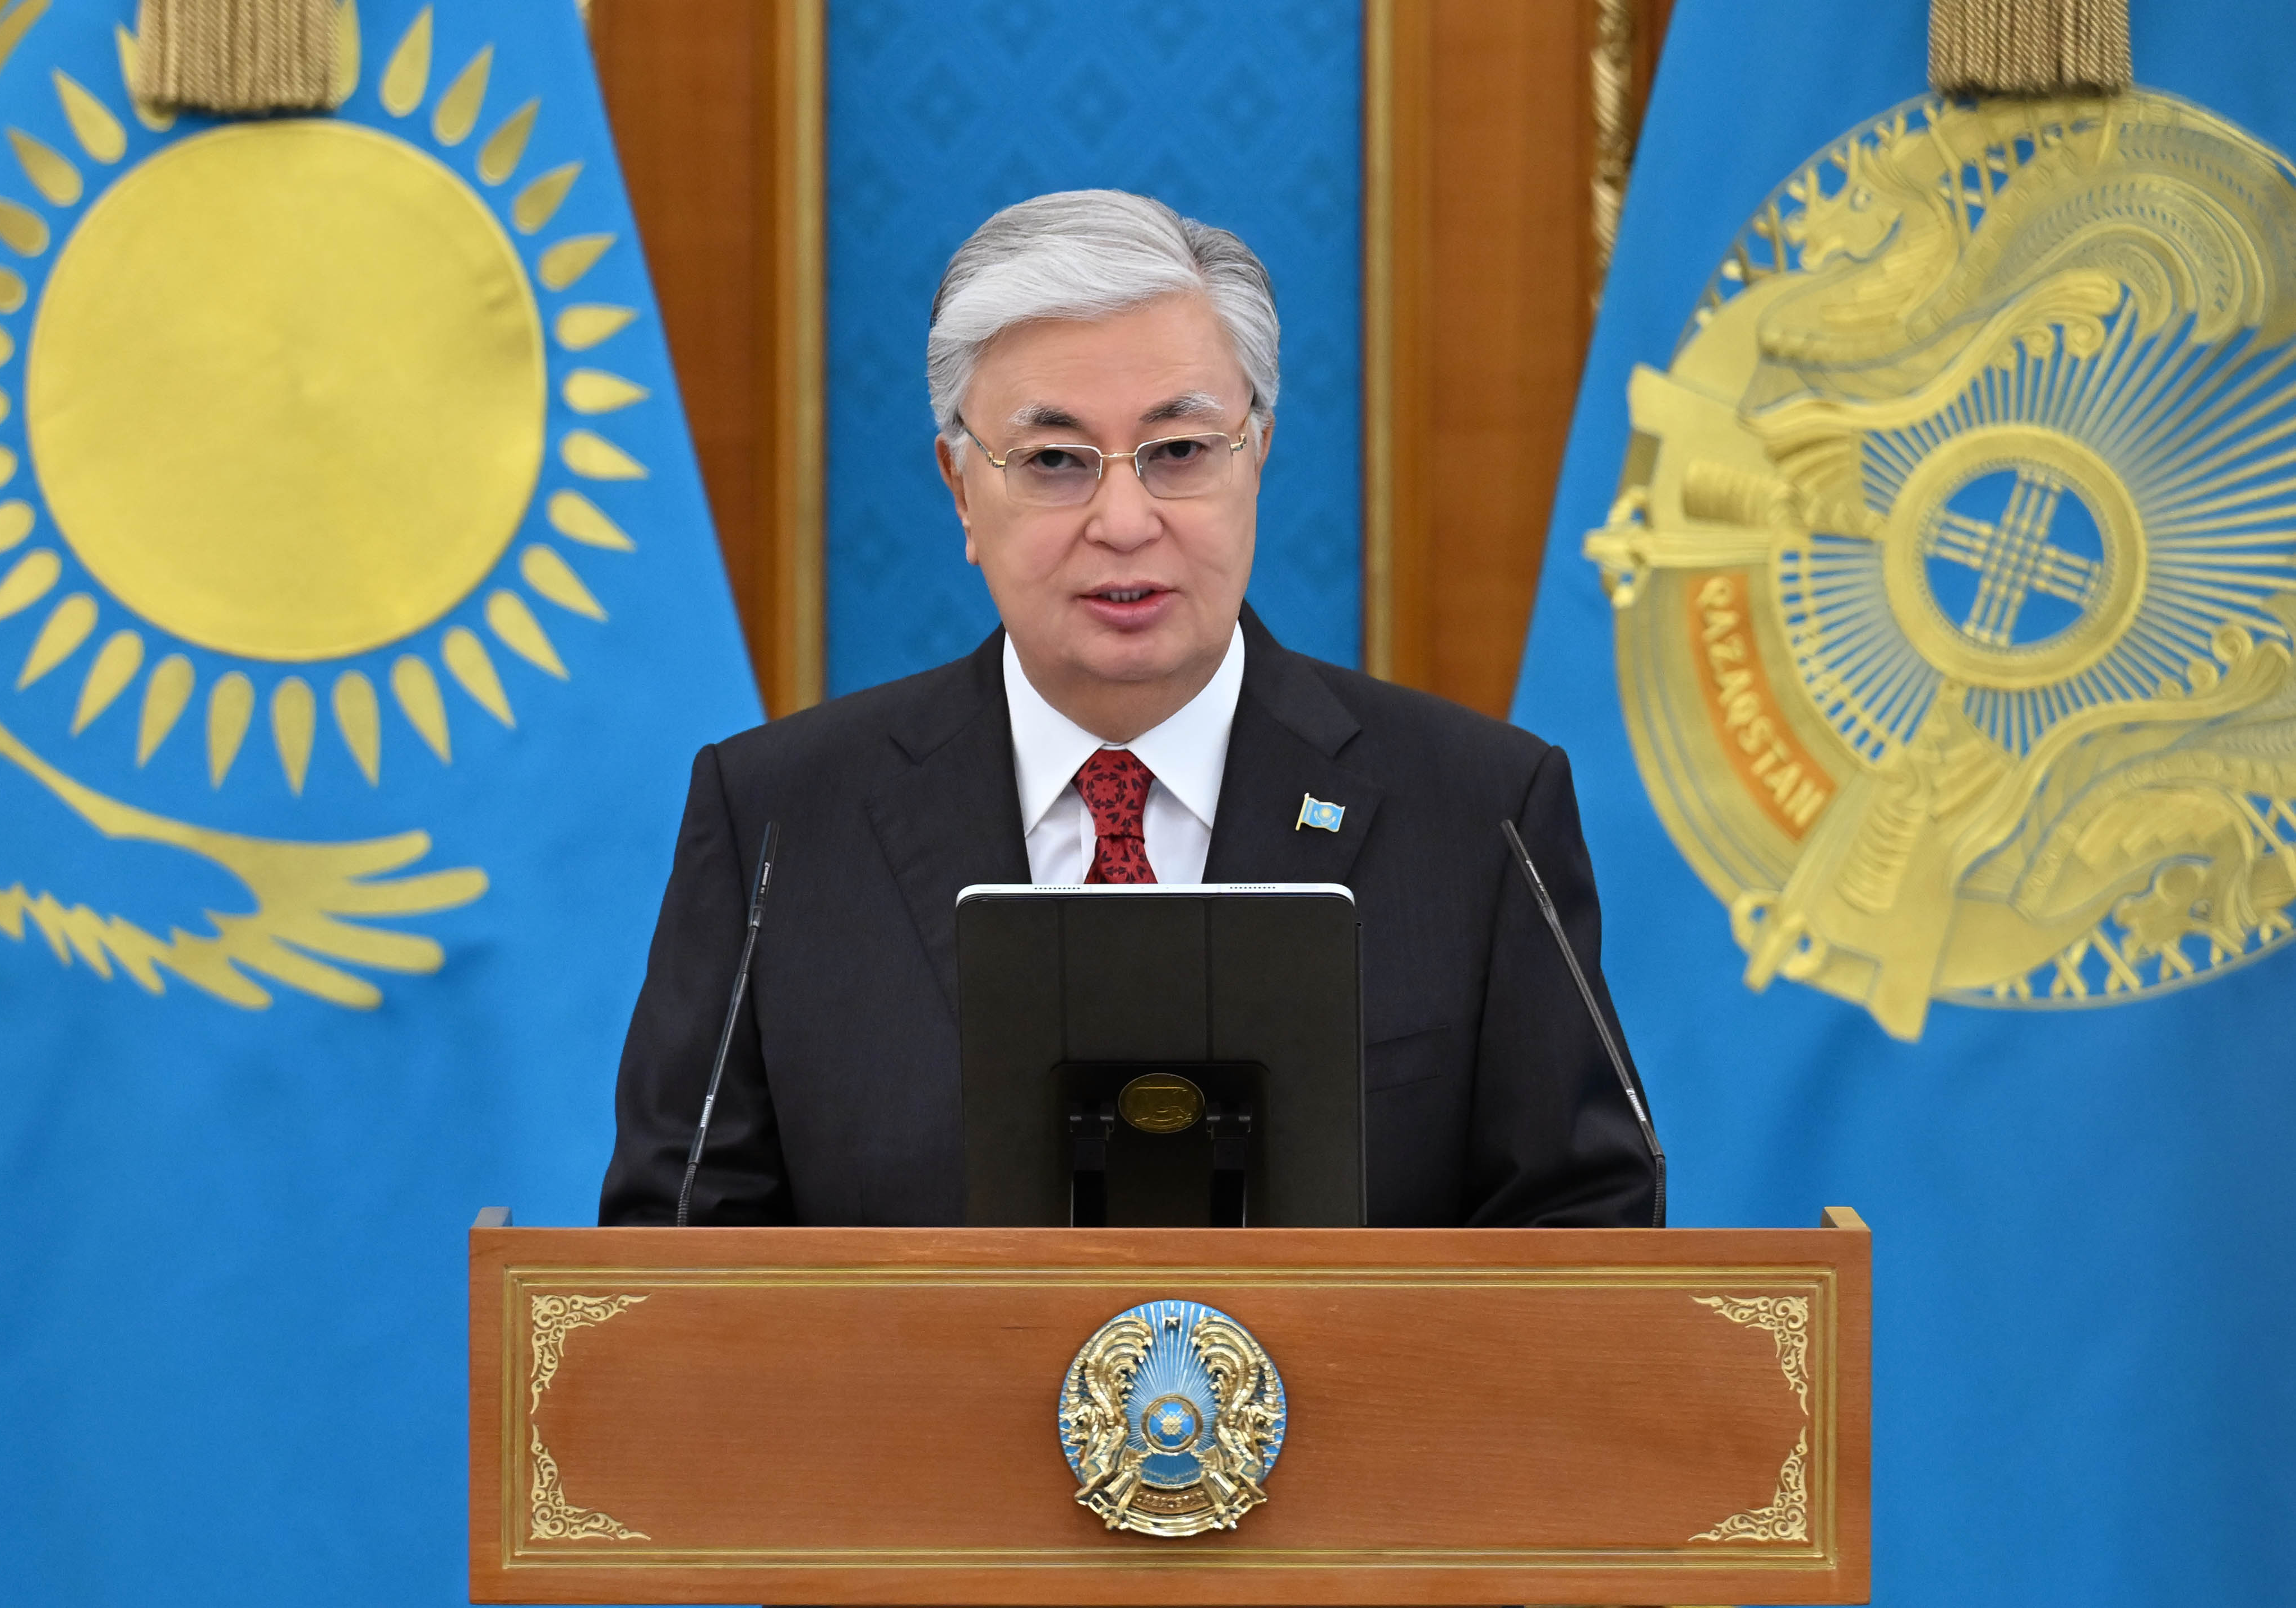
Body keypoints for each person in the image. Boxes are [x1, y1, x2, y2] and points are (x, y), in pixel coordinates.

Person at [600, 189, 1656, 1228]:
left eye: (1179, 452)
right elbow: (672, 1247)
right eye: (1055, 461)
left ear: (1256, 459)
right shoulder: (779, 818)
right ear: (962, 490)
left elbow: (1586, 1232)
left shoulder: (1479, 812)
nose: (1122, 519)